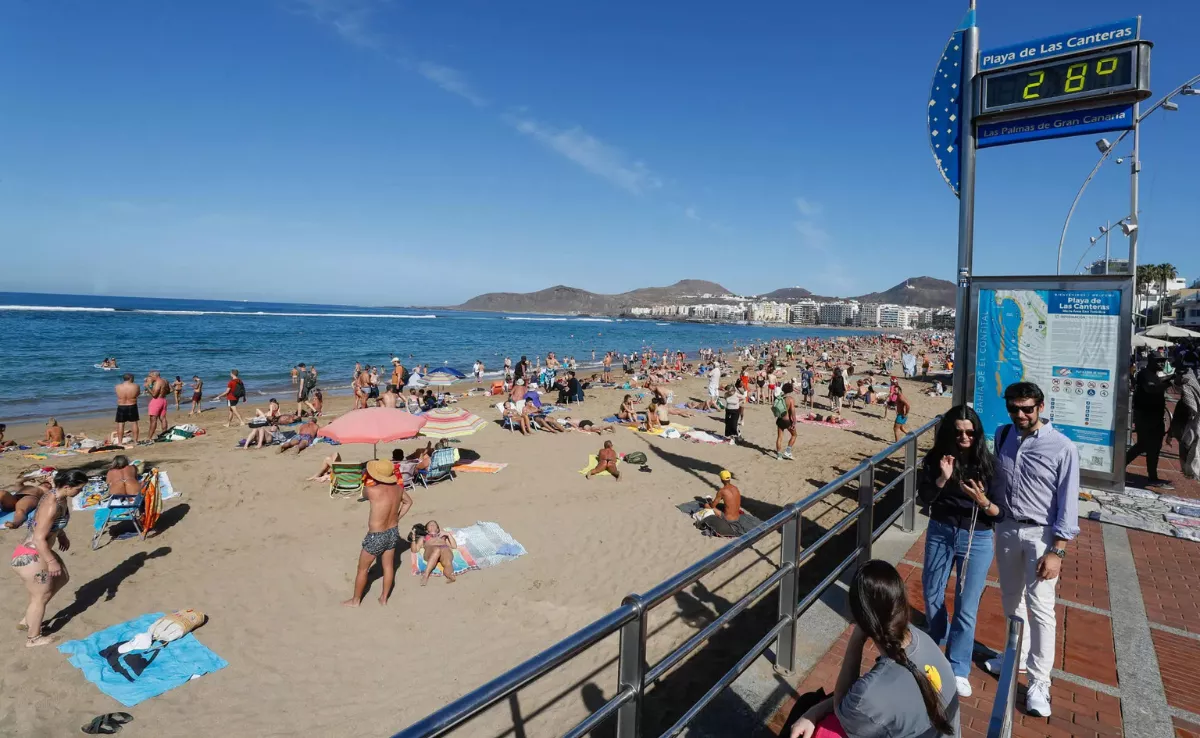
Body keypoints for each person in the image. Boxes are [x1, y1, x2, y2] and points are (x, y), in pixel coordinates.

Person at [983, 381, 1079, 718]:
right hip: (1008, 528)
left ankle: (1040, 682)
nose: (1020, 414)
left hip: (1042, 535)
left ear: (1040, 406)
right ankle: (1016, 656)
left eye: (1026, 408)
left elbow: (1068, 502)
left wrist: (1058, 551)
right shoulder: (1003, 435)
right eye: (1014, 408)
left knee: (1041, 608)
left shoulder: (1062, 447)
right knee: (1011, 598)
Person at [788, 560, 958, 738]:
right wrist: (815, 711)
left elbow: (844, 707)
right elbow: (861, 701)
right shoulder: (921, 638)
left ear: (859, 619)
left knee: (819, 725)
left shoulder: (871, 693)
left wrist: (856, 639)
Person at [917, 405, 1002, 697]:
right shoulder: (936, 459)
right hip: (941, 531)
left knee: (966, 605)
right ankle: (936, 638)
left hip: (977, 537)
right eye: (958, 432)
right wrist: (942, 478)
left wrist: (982, 500)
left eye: (970, 432)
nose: (964, 437)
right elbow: (925, 497)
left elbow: (1000, 512)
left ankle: (958, 666)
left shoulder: (989, 465)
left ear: (977, 433)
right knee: (931, 592)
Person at [10, 469, 89, 647]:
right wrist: (52, 562)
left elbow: (52, 524)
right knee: (41, 595)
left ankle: (29, 619)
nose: (80, 492)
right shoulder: (51, 504)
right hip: (31, 555)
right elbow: (39, 538)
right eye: (79, 489)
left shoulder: (59, 495)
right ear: (67, 487)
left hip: (39, 552)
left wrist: (61, 534)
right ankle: (33, 638)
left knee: (62, 578)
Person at [343, 460, 404, 607]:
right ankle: (384, 598)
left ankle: (355, 600)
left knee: (362, 569)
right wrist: (397, 516)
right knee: (388, 566)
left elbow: (362, 491)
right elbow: (408, 502)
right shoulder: (398, 489)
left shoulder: (372, 490)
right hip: (392, 531)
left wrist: (367, 476)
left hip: (376, 535)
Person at [1125, 355, 1172, 489]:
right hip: (1146, 418)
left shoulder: (1154, 375)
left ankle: (1152, 476)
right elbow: (1151, 388)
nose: (1162, 364)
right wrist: (1169, 383)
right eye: (1159, 361)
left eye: (1163, 361)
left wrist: (1171, 378)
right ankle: (1151, 477)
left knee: (1152, 447)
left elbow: (1157, 384)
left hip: (1155, 418)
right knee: (1144, 445)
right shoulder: (1144, 374)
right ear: (1151, 362)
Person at [1169, 369, 1200, 480]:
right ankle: (1189, 470)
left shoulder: (1189, 384)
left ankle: (1190, 470)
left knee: (1189, 445)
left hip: (1191, 422)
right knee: (1189, 445)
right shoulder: (1190, 383)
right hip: (1188, 422)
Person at [411, 520, 458, 586]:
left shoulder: (443, 537)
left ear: (438, 529)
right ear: (427, 530)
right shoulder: (423, 538)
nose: (432, 525)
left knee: (447, 560)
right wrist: (413, 539)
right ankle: (426, 575)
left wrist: (448, 534)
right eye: (430, 525)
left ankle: (450, 576)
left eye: (434, 524)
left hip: (443, 549)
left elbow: (454, 546)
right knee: (437, 549)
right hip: (430, 552)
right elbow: (414, 550)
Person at [701, 471, 748, 537]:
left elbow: (713, 505)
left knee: (706, 505)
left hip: (728, 519)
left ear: (721, 479)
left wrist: (709, 501)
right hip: (737, 516)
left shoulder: (722, 491)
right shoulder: (735, 488)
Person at [114, 373, 141, 445]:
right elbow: (137, 394)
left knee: (120, 424)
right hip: (132, 405)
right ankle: (135, 441)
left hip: (121, 406)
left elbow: (118, 395)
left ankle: (120, 442)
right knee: (134, 423)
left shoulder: (117, 386)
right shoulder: (136, 386)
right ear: (130, 378)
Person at [774, 382, 797, 461]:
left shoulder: (780, 398)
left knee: (779, 437)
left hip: (780, 419)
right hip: (787, 420)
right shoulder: (790, 399)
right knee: (794, 435)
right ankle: (788, 452)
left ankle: (779, 455)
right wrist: (794, 421)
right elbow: (792, 411)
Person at [146, 371, 170, 440]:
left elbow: (154, 395)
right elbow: (170, 390)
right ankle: (165, 434)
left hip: (157, 401)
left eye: (150, 376)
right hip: (163, 400)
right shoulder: (165, 381)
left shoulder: (158, 382)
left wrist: (147, 387)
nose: (150, 378)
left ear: (155, 376)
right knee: (163, 418)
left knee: (153, 420)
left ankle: (149, 438)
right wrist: (162, 393)